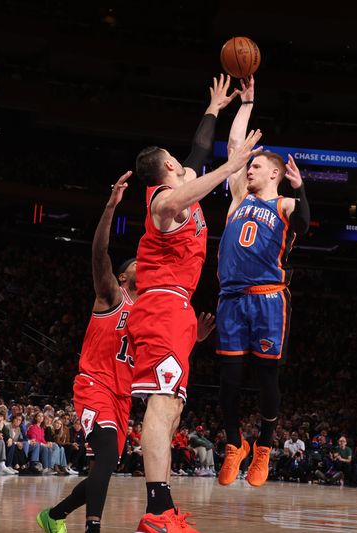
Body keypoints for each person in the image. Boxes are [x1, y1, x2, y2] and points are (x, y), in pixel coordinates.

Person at [127, 74, 261, 533]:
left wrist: (218, 108)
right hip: (161, 307)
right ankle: (157, 510)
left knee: (175, 407)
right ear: (167, 165)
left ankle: (161, 507)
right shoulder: (164, 202)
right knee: (161, 408)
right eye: (179, 162)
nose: (189, 163)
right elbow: (202, 174)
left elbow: (201, 152)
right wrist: (234, 165)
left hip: (177, 312)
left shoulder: (180, 182)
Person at [216, 76, 311, 489]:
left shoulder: (285, 202)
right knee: (229, 380)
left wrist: (301, 188)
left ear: (273, 172)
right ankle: (234, 444)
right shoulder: (239, 197)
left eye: (256, 166)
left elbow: (305, 224)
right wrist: (248, 102)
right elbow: (235, 147)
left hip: (269, 299)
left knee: (266, 379)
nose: (248, 168)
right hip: (231, 299)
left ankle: (265, 447)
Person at [37, 171, 138, 533]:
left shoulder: (148, 312)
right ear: (123, 277)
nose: (143, 264)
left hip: (123, 397)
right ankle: (92, 529)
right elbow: (100, 252)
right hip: (95, 384)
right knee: (108, 458)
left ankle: (54, 516)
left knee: (104, 468)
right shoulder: (112, 295)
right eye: (135, 264)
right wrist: (110, 207)